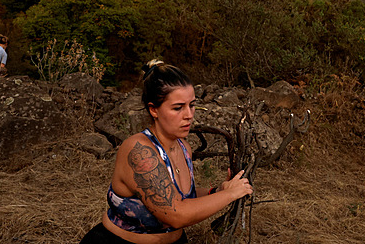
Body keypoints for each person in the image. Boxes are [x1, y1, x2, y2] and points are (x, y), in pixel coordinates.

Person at [80, 60, 253, 244]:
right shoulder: (138, 150)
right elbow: (175, 214)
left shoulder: (183, 147)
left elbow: (180, 197)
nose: (189, 114)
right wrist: (229, 195)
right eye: (178, 108)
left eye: (192, 105)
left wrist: (216, 190)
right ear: (153, 109)